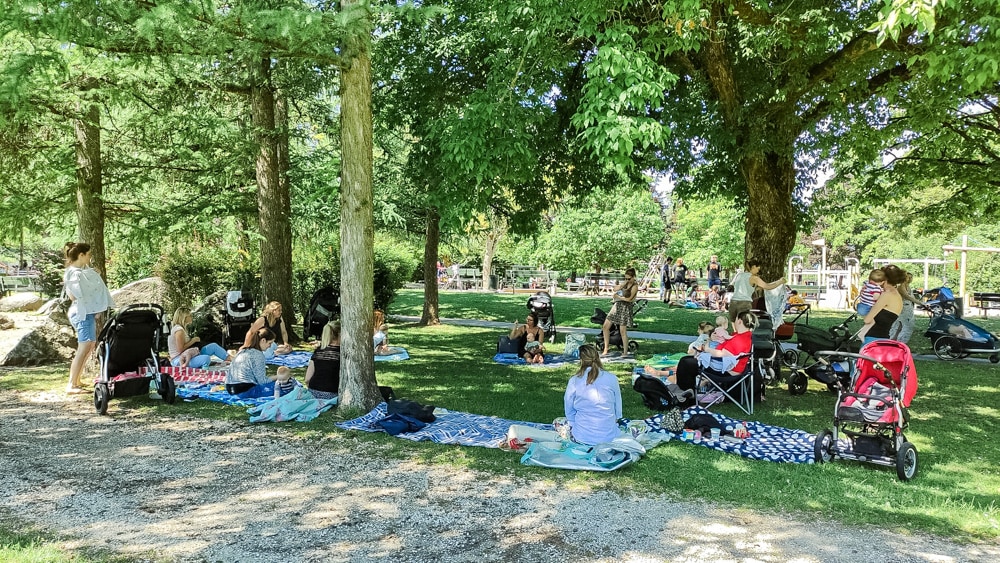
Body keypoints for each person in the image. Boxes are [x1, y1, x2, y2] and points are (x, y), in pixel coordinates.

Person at [63, 242, 114, 394]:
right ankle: (71, 384)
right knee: (84, 346)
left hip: (86, 313)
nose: (90, 257)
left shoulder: (83, 270)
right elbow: (73, 296)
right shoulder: (73, 273)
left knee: (90, 345)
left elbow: (90, 281)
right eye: (89, 254)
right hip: (81, 313)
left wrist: (93, 275)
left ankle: (77, 380)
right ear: (81, 255)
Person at [563, 344, 622, 445]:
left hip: (582, 437)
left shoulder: (574, 380)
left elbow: (569, 408)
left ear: (581, 360)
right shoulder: (612, 378)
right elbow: (618, 410)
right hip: (609, 437)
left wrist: (572, 424)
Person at [859, 264, 906, 346]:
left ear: (884, 279)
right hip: (883, 339)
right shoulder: (896, 295)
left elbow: (867, 320)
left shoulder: (886, 295)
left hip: (873, 340)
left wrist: (862, 304)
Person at [728, 259, 786, 323]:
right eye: (758, 269)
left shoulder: (739, 275)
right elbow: (768, 286)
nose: (758, 272)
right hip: (744, 303)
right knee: (744, 326)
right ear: (754, 266)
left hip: (733, 302)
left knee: (735, 325)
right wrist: (780, 282)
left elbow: (747, 287)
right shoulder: (754, 278)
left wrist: (758, 288)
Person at [600, 267, 639, 358]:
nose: (627, 280)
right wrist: (622, 285)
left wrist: (618, 297)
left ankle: (625, 352)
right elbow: (615, 289)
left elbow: (629, 299)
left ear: (633, 277)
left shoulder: (635, 286)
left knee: (622, 331)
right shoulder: (625, 284)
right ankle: (606, 348)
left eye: (629, 279)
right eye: (625, 278)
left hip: (625, 308)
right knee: (606, 326)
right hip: (617, 306)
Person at [226, 327, 276, 395]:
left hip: (230, 388)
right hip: (243, 390)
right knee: (280, 385)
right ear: (263, 340)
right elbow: (263, 381)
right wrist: (278, 376)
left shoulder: (243, 351)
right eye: (270, 343)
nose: (270, 346)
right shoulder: (258, 355)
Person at [305, 321, 340, 400]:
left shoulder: (318, 351)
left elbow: (307, 379)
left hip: (313, 391)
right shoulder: (342, 353)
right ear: (340, 334)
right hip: (332, 393)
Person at [890, 273, 921, 344]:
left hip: (908, 307)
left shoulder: (908, 286)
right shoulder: (901, 286)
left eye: (911, 277)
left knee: (900, 326)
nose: (909, 279)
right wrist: (920, 303)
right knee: (906, 326)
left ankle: (895, 341)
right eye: (908, 277)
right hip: (903, 308)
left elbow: (911, 297)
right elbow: (907, 296)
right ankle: (900, 342)